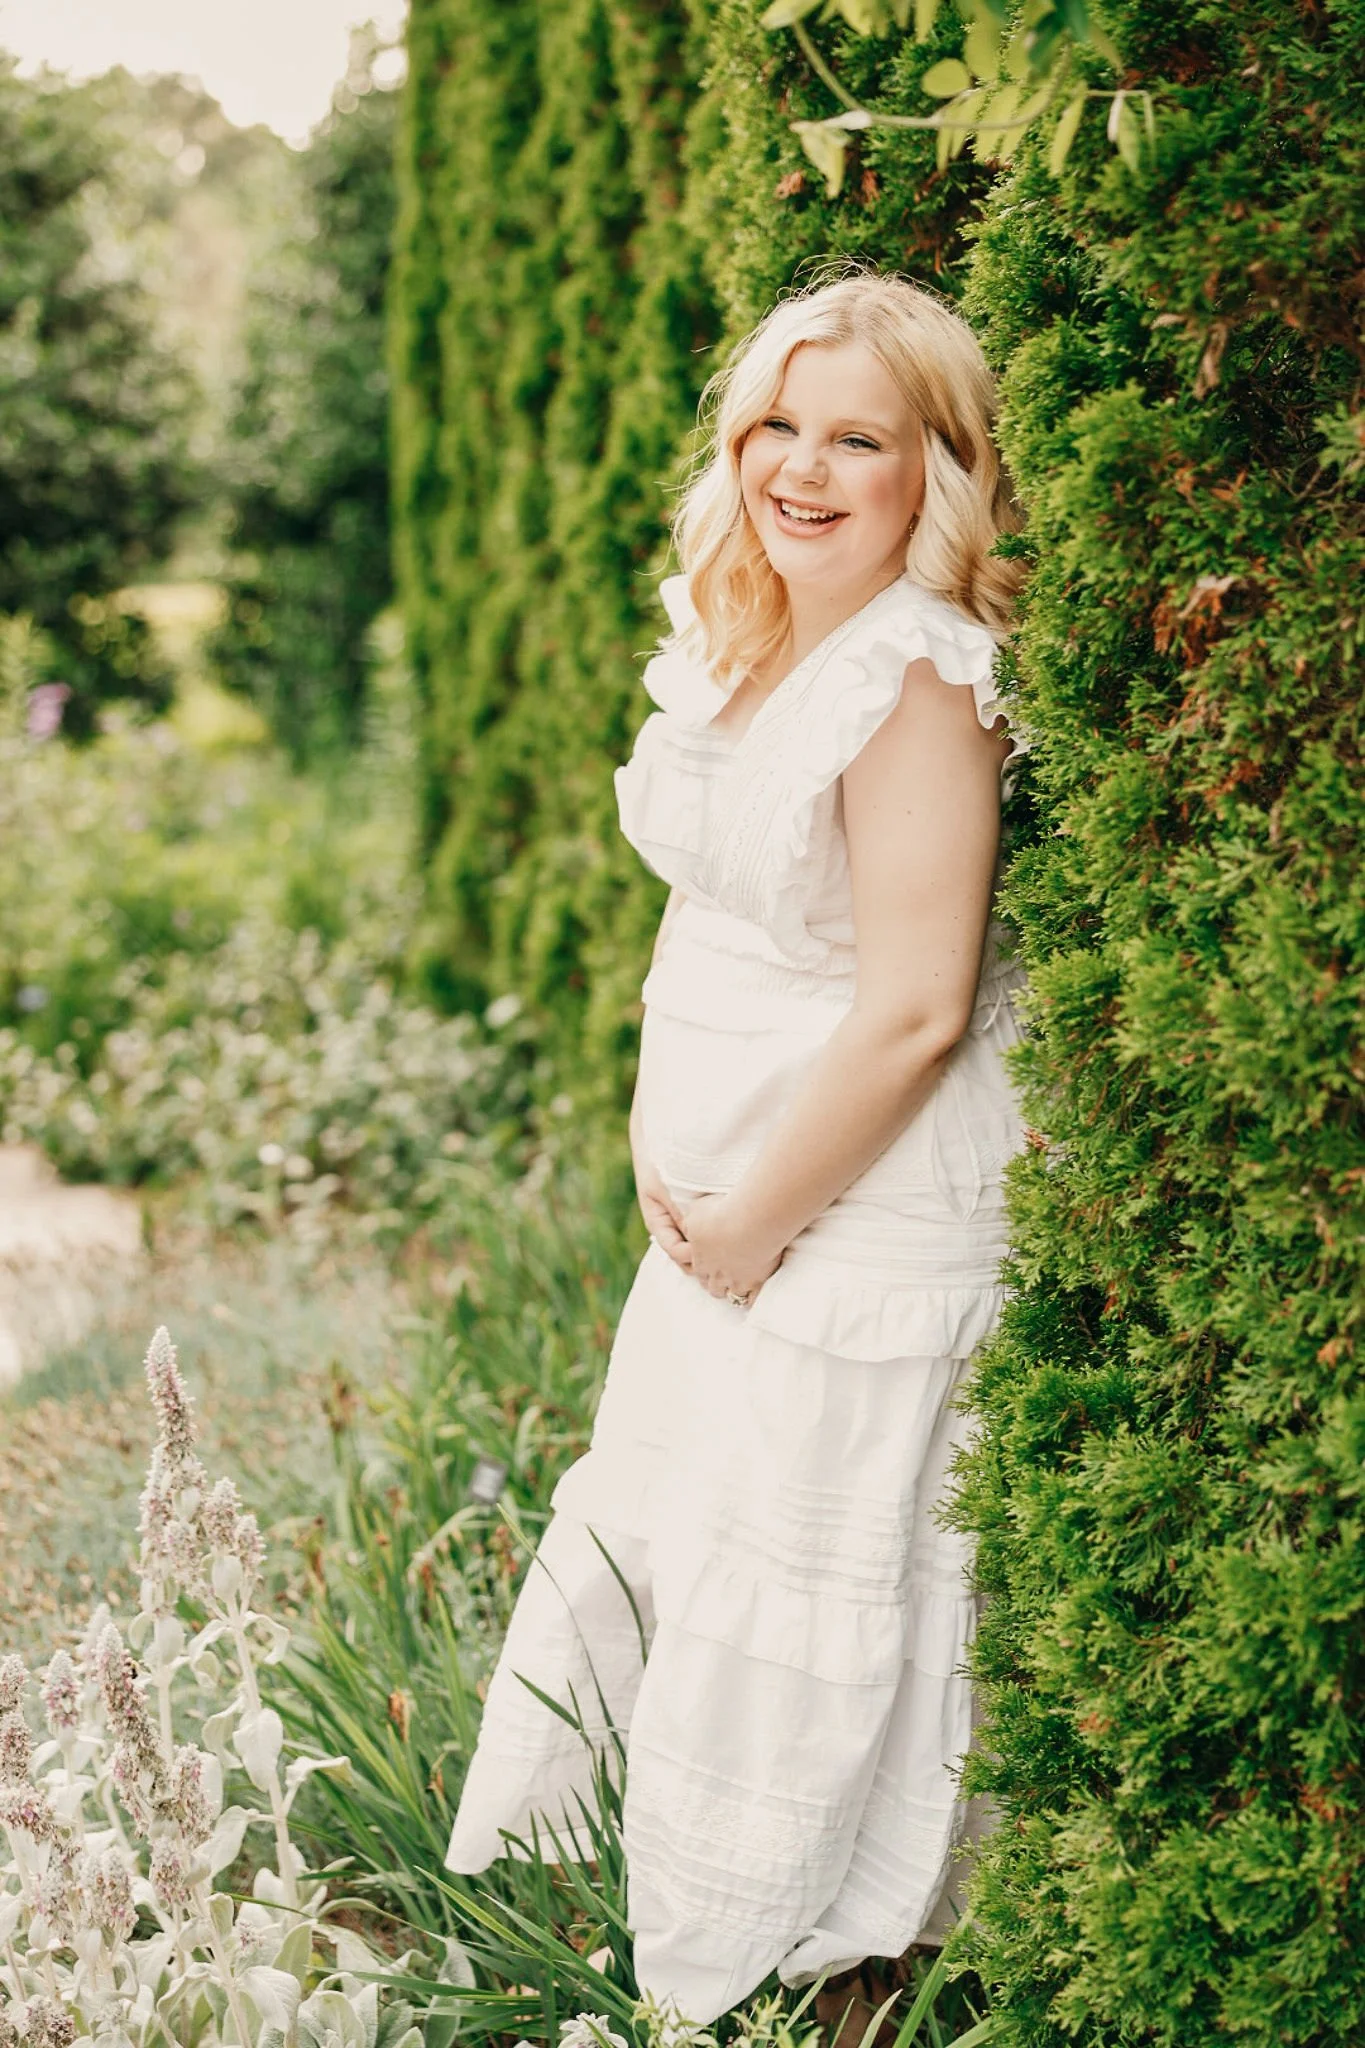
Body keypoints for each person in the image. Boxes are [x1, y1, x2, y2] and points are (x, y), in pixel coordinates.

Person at [444, 267, 1029, 2031]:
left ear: (940, 470)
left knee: (820, 1595)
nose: (802, 468)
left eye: (859, 439)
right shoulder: (755, 635)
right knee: (706, 1565)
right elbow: (714, 917)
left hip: (848, 1221)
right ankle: (728, 1965)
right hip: (728, 1226)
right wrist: (669, 1142)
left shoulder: (917, 680)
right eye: (778, 423)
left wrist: (758, 1214)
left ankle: (841, 1974)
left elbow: (916, 1007)